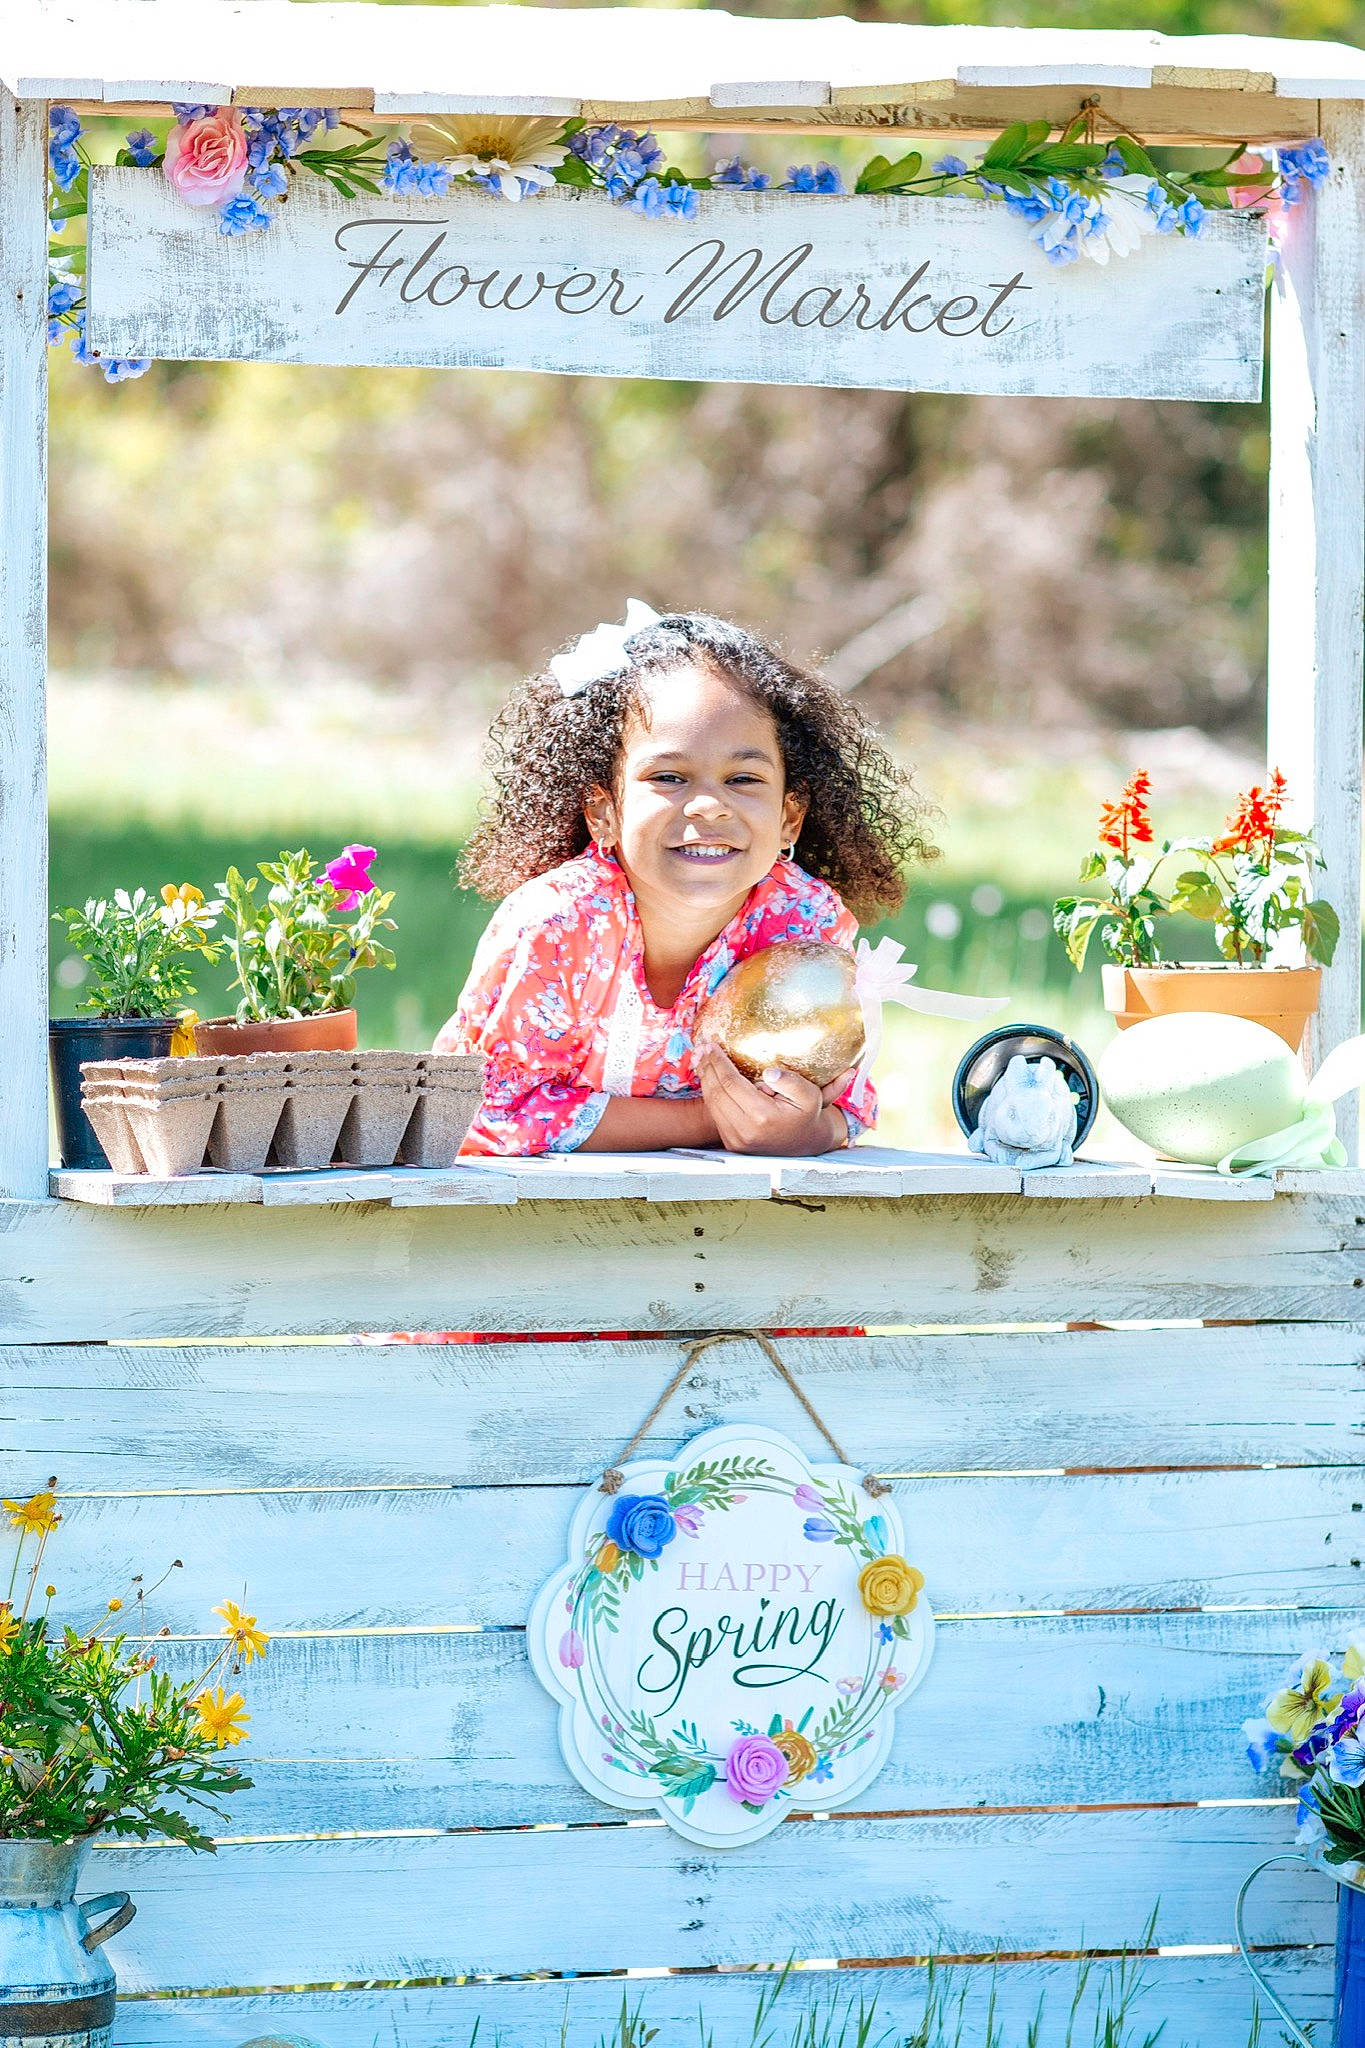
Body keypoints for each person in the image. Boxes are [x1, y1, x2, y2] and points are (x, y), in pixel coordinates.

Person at [437, 603, 935, 1156]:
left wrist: (813, 1131)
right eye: (669, 776)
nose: (709, 806)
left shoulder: (802, 921)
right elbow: (485, 1112)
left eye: (743, 778)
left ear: (788, 818)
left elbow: (844, 1094)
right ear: (604, 811)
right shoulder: (557, 925)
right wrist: (708, 1121)